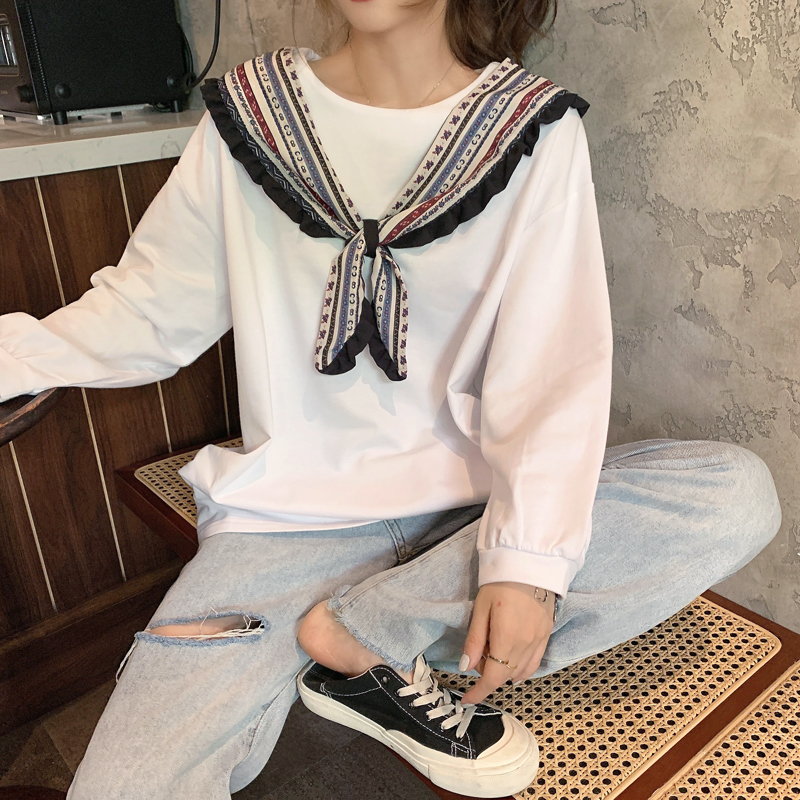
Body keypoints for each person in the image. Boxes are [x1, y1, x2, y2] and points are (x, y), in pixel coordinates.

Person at [0, 0, 782, 796]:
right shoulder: (247, 119)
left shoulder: (535, 130)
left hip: (470, 524)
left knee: (736, 493)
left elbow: (552, 373)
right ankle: (382, 649)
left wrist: (524, 565)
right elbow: (147, 311)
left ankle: (366, 635)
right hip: (281, 528)